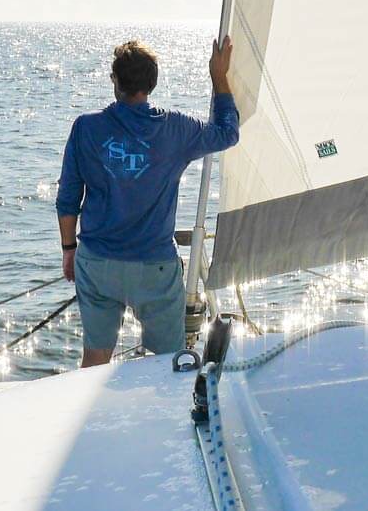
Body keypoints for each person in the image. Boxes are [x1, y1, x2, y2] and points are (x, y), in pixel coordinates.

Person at [55, 37, 239, 367]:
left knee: (95, 359)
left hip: (97, 263)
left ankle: (95, 418)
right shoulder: (176, 129)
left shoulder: (86, 128)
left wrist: (69, 249)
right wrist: (219, 76)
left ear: (115, 80)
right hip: (154, 267)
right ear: (152, 83)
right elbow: (227, 133)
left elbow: (68, 197)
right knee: (168, 363)